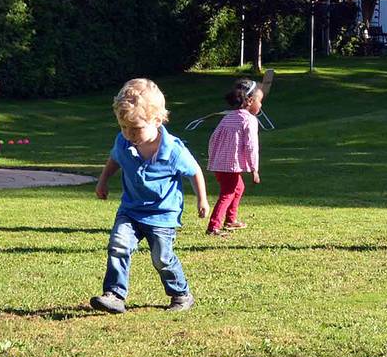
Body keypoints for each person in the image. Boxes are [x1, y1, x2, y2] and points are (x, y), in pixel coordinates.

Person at [91, 78, 209, 314]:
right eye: (123, 127)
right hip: (131, 210)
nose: (128, 134)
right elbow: (115, 159)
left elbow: (194, 171)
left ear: (157, 120)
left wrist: (202, 199)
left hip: (162, 215)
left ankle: (181, 294)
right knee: (118, 246)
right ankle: (114, 294)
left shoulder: (174, 150)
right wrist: (103, 181)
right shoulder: (123, 142)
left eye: (135, 129)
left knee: (162, 259)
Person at [206, 78, 263, 236]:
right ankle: (213, 226)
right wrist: (254, 169)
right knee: (228, 193)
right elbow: (251, 146)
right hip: (230, 165)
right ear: (250, 101)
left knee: (238, 188)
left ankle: (230, 220)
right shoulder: (249, 120)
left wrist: (213, 158)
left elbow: (213, 138)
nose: (261, 105)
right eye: (260, 101)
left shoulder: (228, 117)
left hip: (220, 163)